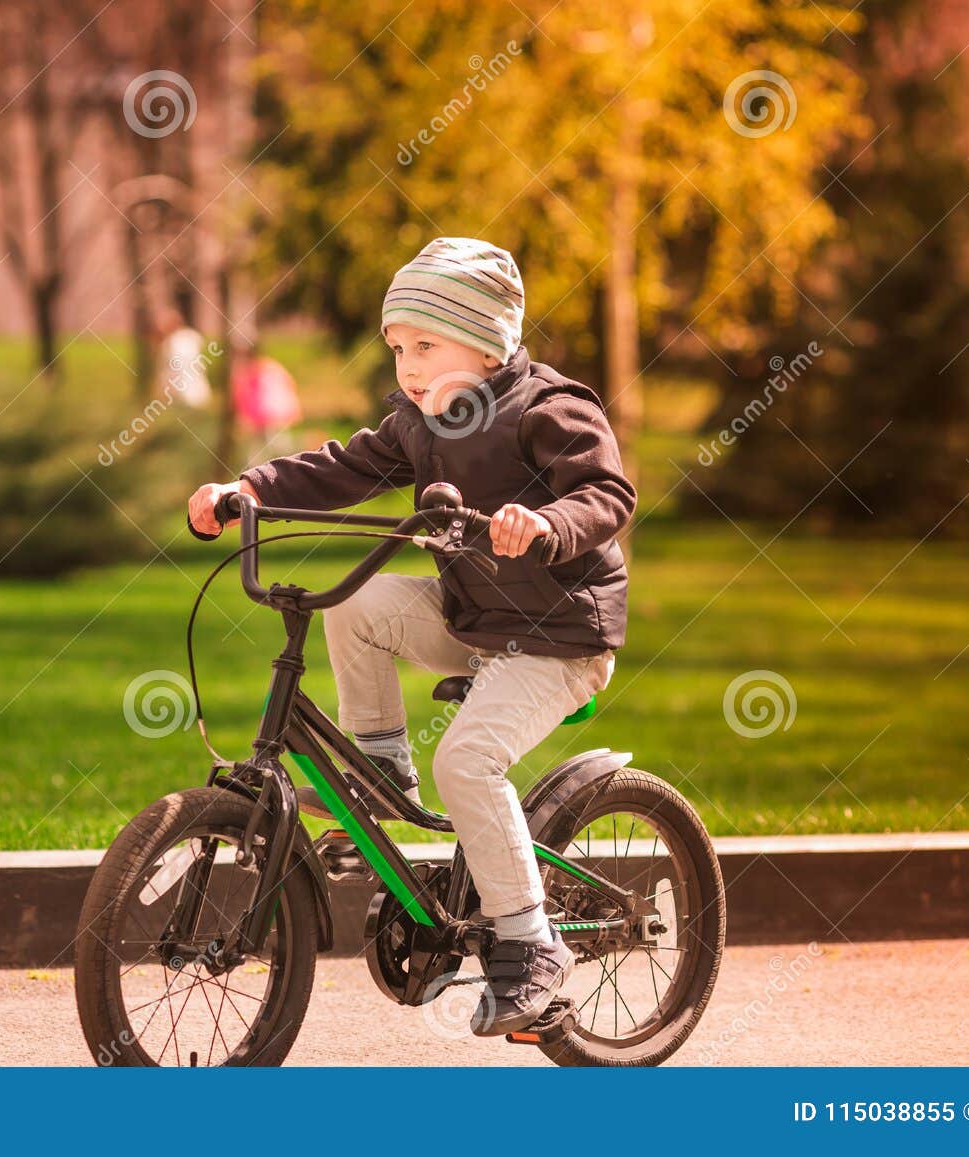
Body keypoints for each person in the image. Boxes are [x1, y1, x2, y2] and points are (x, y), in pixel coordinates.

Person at [186, 236, 636, 1036]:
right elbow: (340, 467)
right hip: (474, 617)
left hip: (558, 634)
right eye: (398, 348)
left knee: (466, 756)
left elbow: (607, 492)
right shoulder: (417, 424)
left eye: (426, 344)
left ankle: (533, 947)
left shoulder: (549, 408)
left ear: (489, 339)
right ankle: (380, 765)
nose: (409, 366)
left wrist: (546, 523)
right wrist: (247, 487)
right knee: (354, 602)